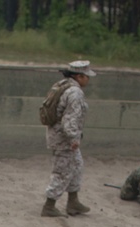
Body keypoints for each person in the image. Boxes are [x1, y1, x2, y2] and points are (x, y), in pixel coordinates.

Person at [41, 60, 96, 218]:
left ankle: (73, 202)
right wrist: (73, 138)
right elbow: (70, 120)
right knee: (62, 172)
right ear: (79, 76)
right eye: (86, 76)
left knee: (77, 166)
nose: (88, 79)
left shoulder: (62, 85)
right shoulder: (75, 93)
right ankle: (49, 206)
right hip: (64, 139)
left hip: (59, 135)